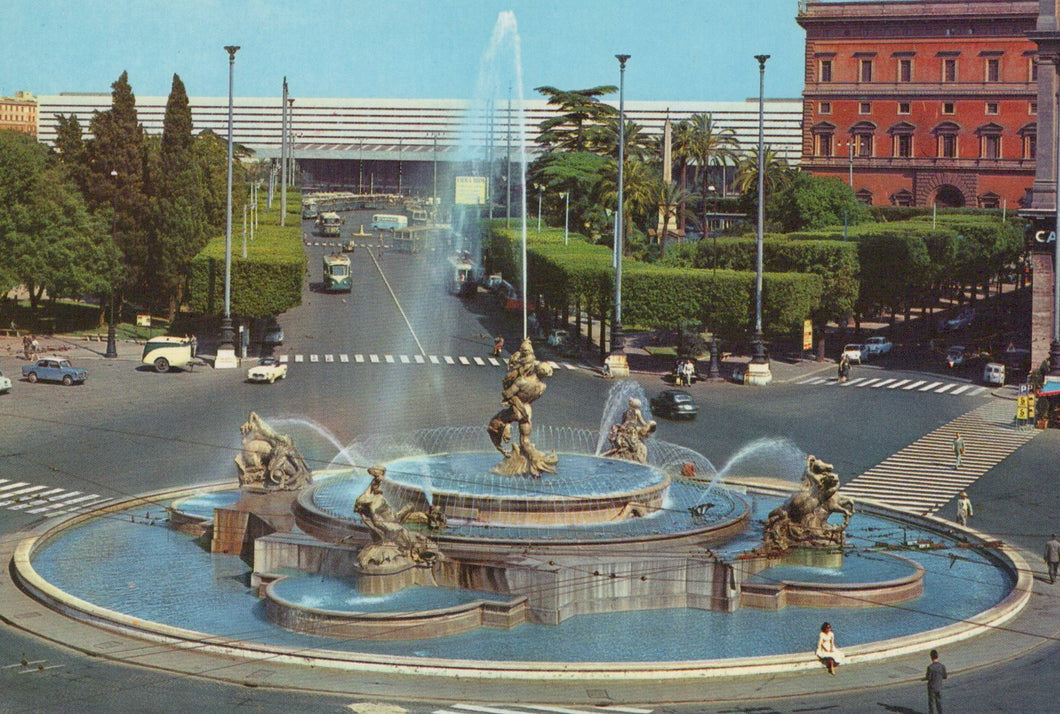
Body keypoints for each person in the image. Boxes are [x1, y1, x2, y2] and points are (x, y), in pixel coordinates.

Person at [924, 649, 947, 714]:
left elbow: (928, 677)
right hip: (939, 686)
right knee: (939, 701)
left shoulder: (930, 667)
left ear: (931, 657)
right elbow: (945, 676)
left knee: (931, 702)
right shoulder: (942, 666)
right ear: (937, 656)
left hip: (931, 687)